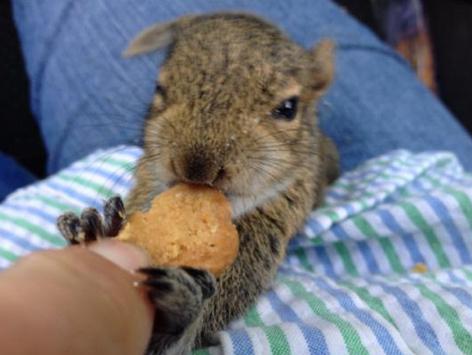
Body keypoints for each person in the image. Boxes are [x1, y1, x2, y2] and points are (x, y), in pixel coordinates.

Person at [1, 0, 471, 354]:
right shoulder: (157, 166)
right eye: (166, 93)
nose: (198, 172)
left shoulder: (283, 193)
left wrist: (184, 310)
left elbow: (235, 287)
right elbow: (137, 236)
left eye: (284, 108)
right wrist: (105, 239)